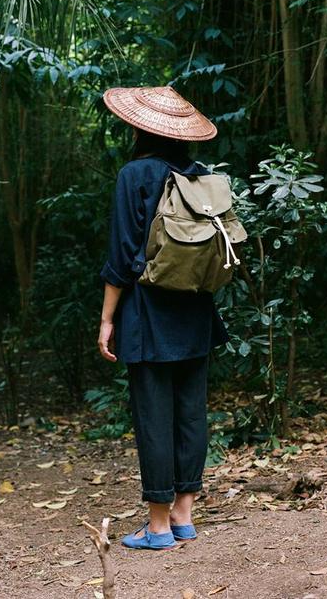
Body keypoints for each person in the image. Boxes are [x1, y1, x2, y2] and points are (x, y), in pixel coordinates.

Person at [98, 85, 229, 550]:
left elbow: (120, 257)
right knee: (191, 411)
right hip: (195, 310)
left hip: (147, 313)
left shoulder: (134, 175)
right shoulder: (200, 174)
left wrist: (107, 319)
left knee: (155, 414)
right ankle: (184, 516)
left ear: (140, 128)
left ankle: (157, 528)